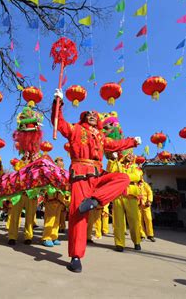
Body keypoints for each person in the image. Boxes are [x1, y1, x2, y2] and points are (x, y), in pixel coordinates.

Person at [52, 89, 141, 273]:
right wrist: (57, 103)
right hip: (80, 177)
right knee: (78, 216)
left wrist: (133, 141)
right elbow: (58, 123)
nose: (92, 115)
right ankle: (76, 256)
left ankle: (95, 201)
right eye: (88, 114)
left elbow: (117, 144)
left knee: (122, 178)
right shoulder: (75, 129)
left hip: (98, 176)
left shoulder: (101, 137)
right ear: (83, 118)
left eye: (94, 115)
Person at [112, 152, 143, 251]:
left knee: (134, 220)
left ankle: (137, 241)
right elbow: (112, 173)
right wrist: (113, 160)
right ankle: (119, 244)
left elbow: (136, 177)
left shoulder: (135, 167)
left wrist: (122, 175)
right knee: (118, 221)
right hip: (118, 194)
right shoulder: (117, 164)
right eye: (128, 154)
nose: (130, 156)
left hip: (131, 194)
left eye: (132, 154)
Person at [41, 157, 67, 247]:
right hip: (51, 199)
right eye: (59, 161)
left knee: (56, 220)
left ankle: (54, 236)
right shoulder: (51, 172)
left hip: (59, 200)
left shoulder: (64, 173)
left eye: (62, 160)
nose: (61, 162)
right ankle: (46, 237)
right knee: (50, 219)